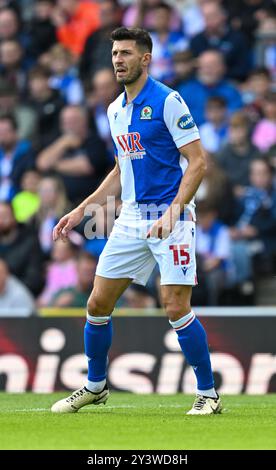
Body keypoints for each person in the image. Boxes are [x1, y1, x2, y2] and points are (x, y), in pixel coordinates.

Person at [51, 27, 222, 416]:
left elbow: (198, 163)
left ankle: (209, 394)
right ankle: (96, 386)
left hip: (171, 214)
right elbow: (120, 167)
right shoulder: (114, 110)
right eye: (115, 53)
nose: (118, 60)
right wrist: (84, 208)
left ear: (145, 58)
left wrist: (174, 212)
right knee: (97, 303)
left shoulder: (168, 101)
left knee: (175, 306)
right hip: (131, 216)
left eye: (126, 53)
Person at [176, 49, 242, 126]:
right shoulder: (186, 90)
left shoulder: (231, 91)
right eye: (204, 66)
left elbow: (235, 117)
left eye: (212, 66)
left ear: (223, 68)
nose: (207, 70)